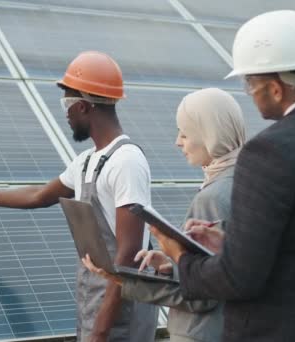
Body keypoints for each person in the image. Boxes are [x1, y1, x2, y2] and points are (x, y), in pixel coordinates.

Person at [149, 10, 295, 342]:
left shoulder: (268, 153)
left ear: (276, 88)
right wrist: (230, 245)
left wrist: (181, 255)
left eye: (251, 83)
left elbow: (238, 279)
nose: (249, 91)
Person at [0, 51, 157, 342]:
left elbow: (129, 254)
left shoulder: (127, 162)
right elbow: (39, 195)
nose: (65, 114)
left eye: (67, 104)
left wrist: (100, 329)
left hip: (118, 316)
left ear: (84, 107)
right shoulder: (87, 161)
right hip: (96, 305)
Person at [82, 87, 246, 341]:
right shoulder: (248, 182)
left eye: (185, 133)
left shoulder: (212, 198)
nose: (177, 141)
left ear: (209, 135)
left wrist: (122, 280)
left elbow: (202, 296)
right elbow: (228, 274)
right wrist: (173, 266)